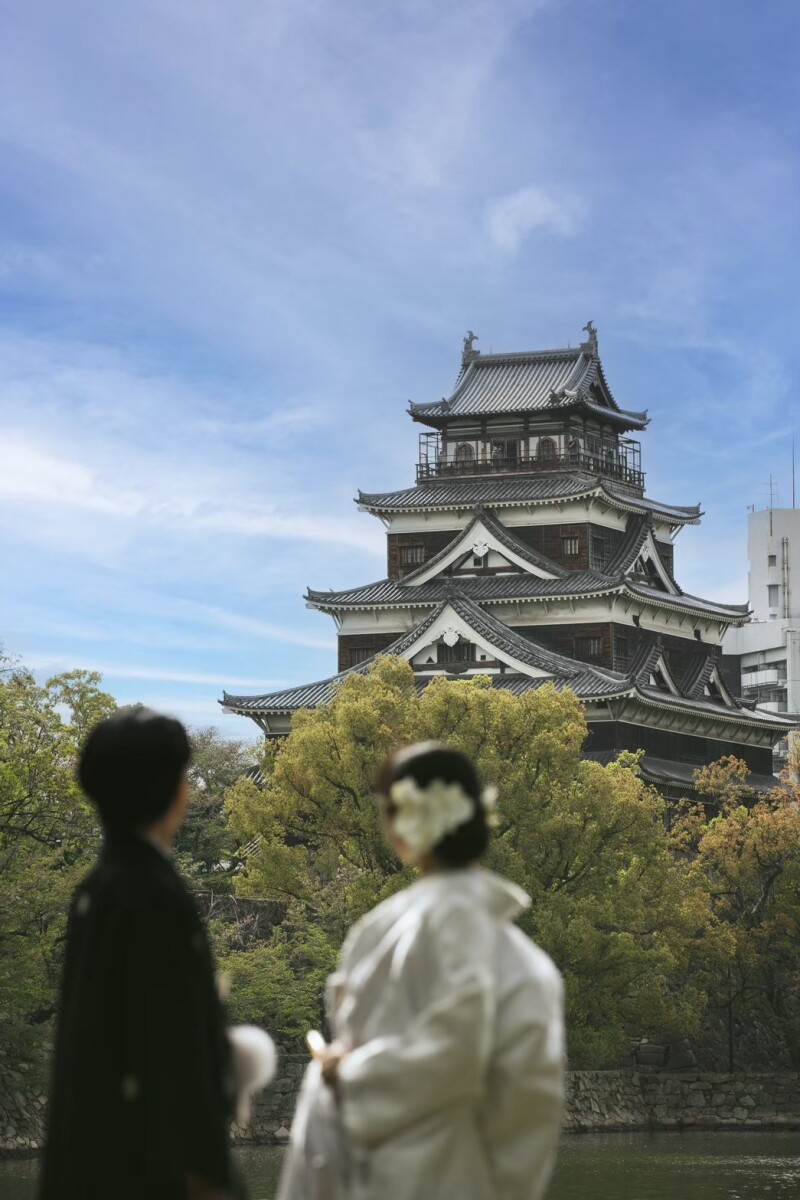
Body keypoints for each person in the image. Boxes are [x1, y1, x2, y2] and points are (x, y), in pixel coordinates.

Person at [278, 742, 565, 1200]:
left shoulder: (402, 929)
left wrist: (346, 1073)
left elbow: (456, 1052)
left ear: (401, 822)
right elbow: (533, 1104)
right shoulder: (521, 955)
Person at [39, 706, 245, 1200]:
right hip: (155, 1167)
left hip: (95, 1150)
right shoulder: (154, 893)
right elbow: (172, 1042)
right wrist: (205, 1169)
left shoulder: (96, 888)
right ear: (171, 792)